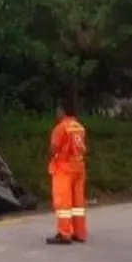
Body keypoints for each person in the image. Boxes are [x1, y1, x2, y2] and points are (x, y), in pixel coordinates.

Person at [46, 99, 88, 245]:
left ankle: (64, 234)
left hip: (64, 167)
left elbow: (53, 148)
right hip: (79, 166)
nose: (57, 113)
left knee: (63, 203)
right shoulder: (79, 127)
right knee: (78, 203)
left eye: (58, 110)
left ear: (63, 111)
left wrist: (50, 155)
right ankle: (79, 232)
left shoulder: (61, 127)